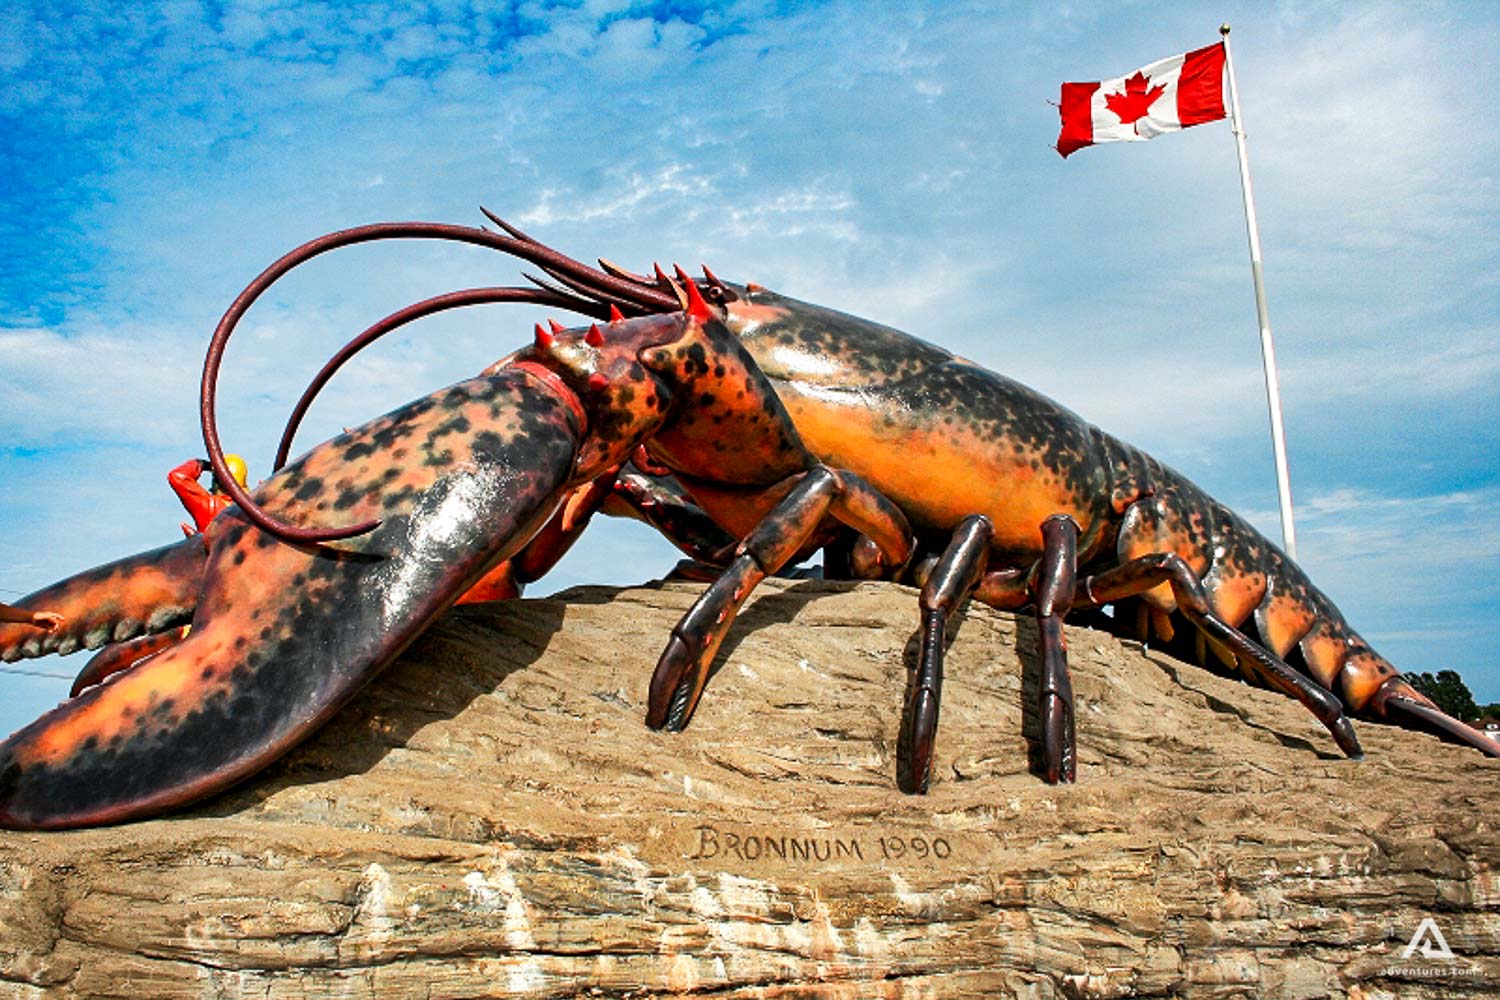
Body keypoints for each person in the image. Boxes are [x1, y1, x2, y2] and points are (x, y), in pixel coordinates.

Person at [170, 454, 248, 535]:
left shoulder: (211, 507)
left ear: (217, 481)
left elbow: (177, 477)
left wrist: (202, 464)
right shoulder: (251, 506)